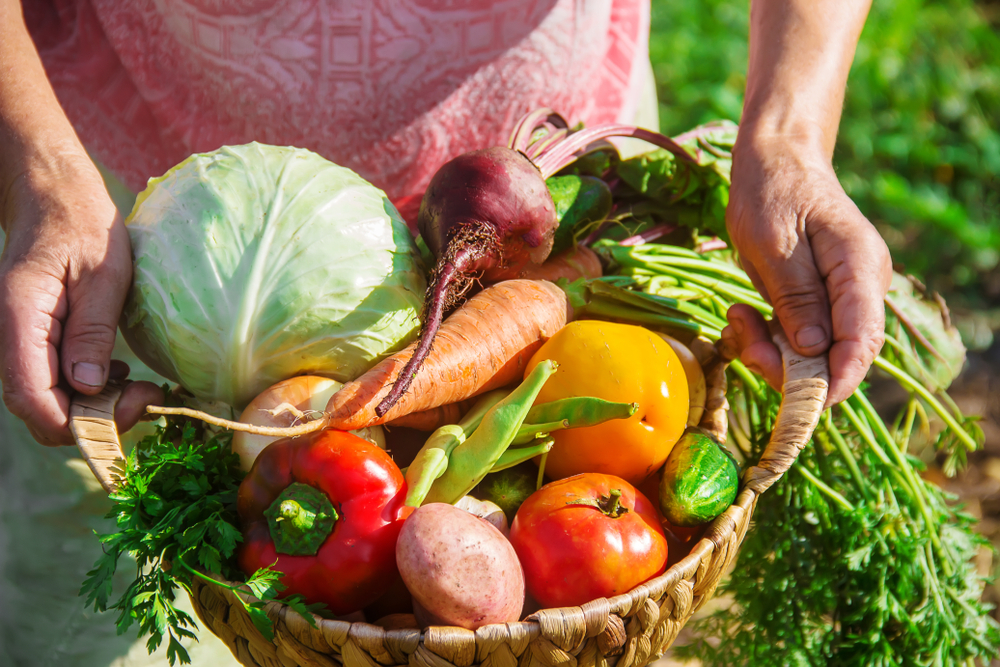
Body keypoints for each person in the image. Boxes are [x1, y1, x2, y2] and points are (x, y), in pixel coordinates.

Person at [0, 0, 891, 664]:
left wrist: (789, 137)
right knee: (96, 602)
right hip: (145, 234)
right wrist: (39, 175)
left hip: (550, 197)